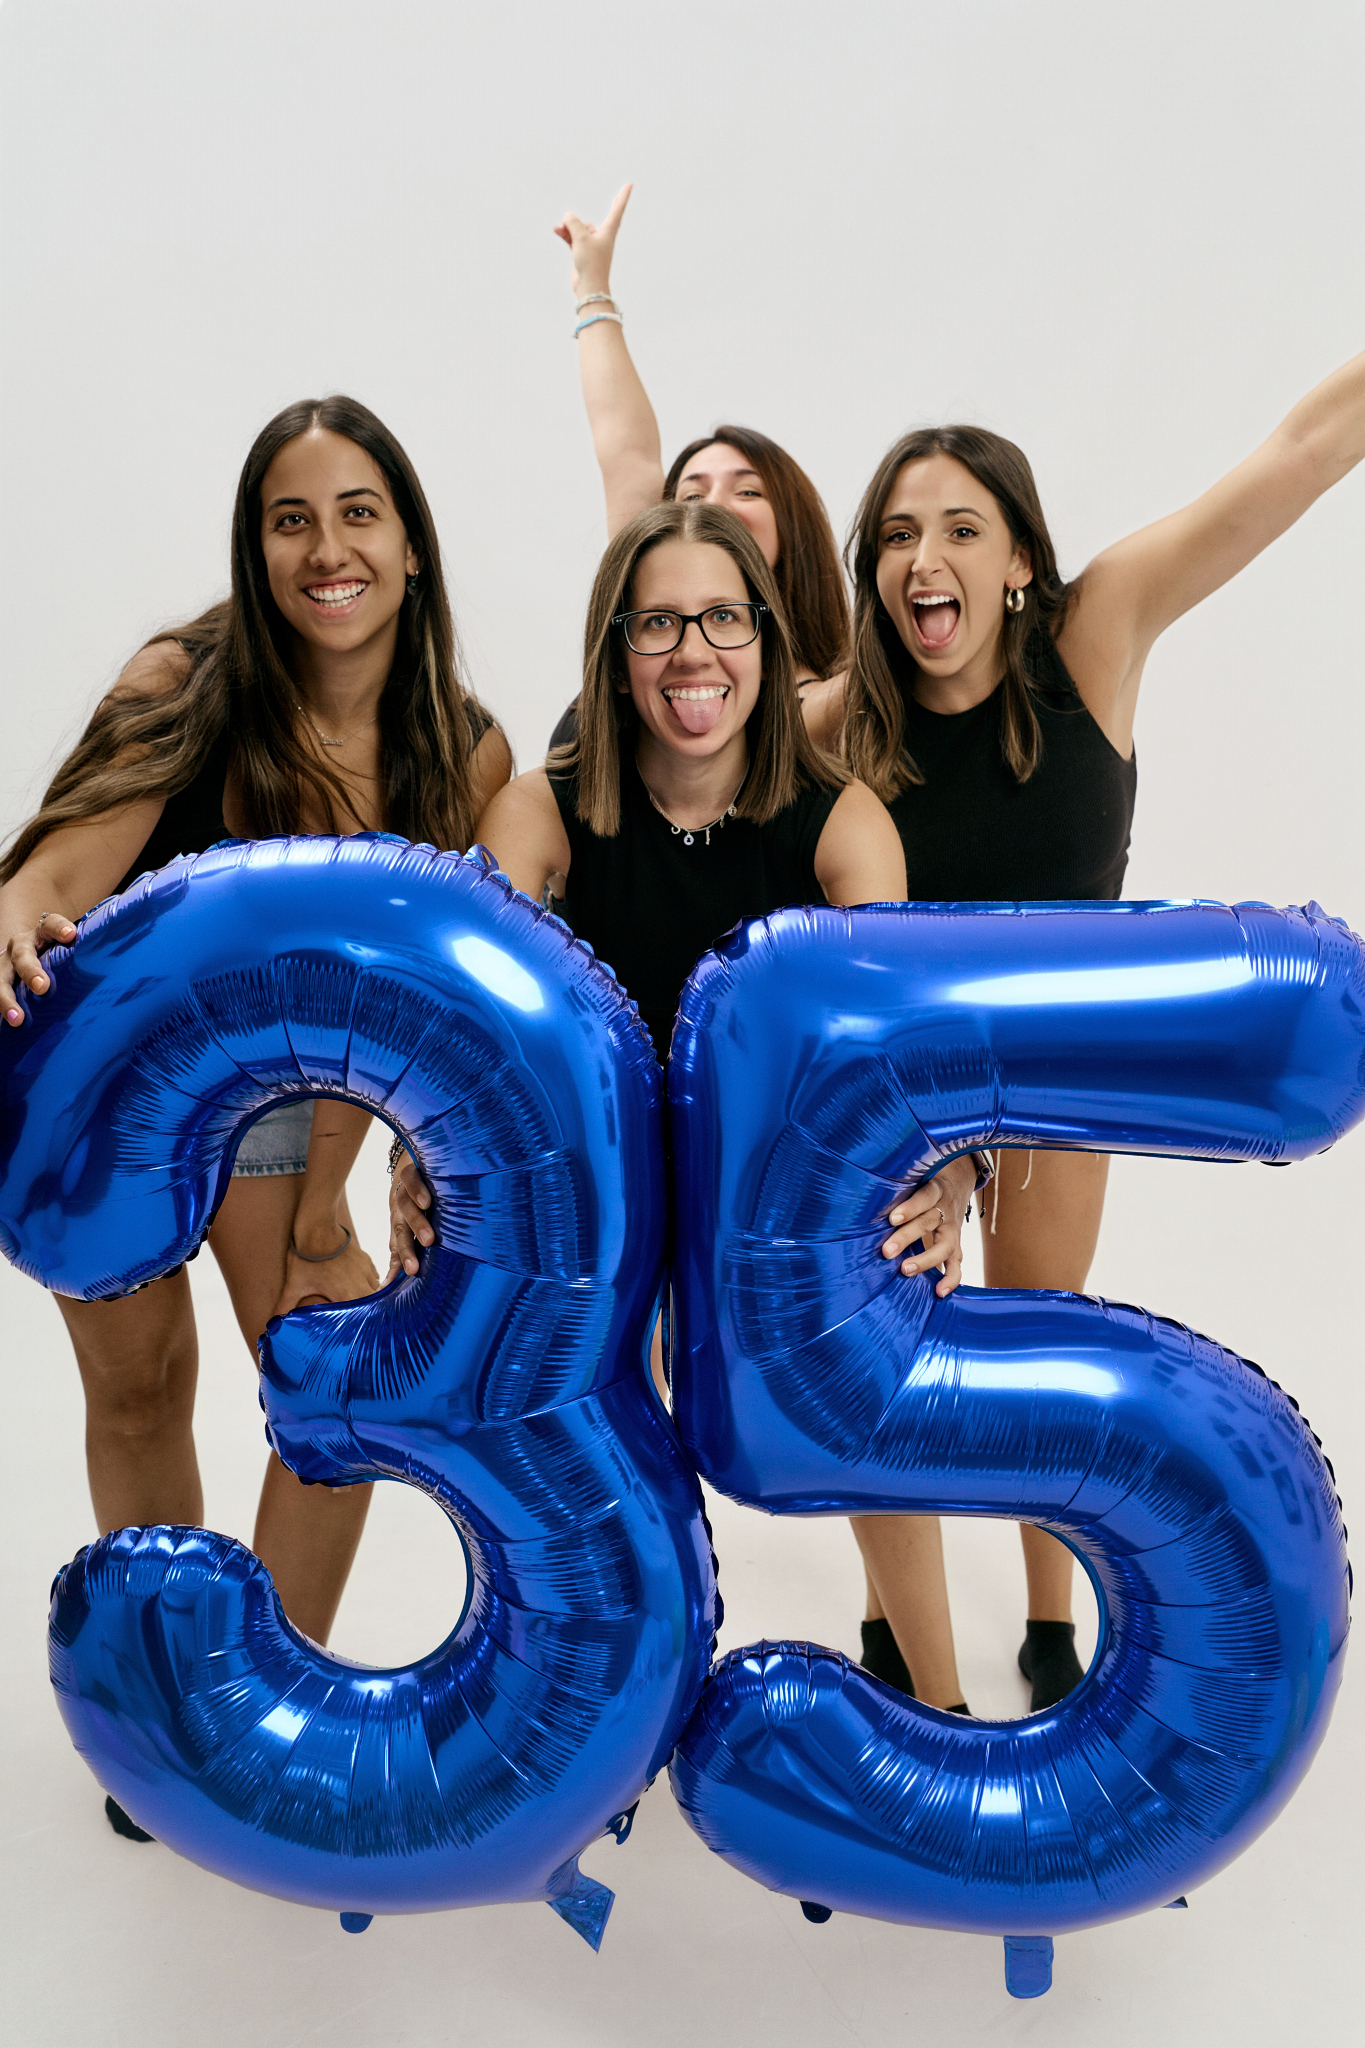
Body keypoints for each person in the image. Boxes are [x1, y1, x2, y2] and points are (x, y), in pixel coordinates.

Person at [824, 345, 1365, 1710]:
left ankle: (1051, 1619)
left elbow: (1291, 457)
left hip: (1064, 1077)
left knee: (1040, 1347)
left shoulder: (1096, 630)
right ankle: (916, 1657)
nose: (921, 558)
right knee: (886, 1378)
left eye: (957, 527)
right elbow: (670, 740)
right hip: (908, 1094)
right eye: (894, 534)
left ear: (1019, 559)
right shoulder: (841, 718)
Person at [0, 397, 512, 1839]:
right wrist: (15, 918)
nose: (326, 548)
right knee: (143, 1388)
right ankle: (166, 1705)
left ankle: (253, 1703)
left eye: (358, 513)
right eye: (292, 519)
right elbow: (59, 869)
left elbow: (402, 1013)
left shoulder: (460, 757)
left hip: (283, 1109)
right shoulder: (192, 679)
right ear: (256, 547)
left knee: (337, 1387)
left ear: (409, 545)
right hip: (103, 1083)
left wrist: (325, 1194)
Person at [390, 496, 989, 1711]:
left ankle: (947, 1709)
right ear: (614, 654)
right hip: (603, 1195)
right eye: (657, 623)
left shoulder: (841, 820)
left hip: (775, 1195)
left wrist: (958, 1173)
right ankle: (589, 1717)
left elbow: (908, 1049)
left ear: (767, 643)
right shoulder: (543, 807)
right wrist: (416, 1151)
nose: (692, 651)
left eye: (722, 616)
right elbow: (467, 1023)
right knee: (582, 1418)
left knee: (869, 1385)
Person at [547, 183, 848, 759]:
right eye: (692, 493)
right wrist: (593, 287)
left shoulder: (818, 697)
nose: (713, 506)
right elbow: (627, 448)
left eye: (748, 489)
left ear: (794, 526)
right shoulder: (645, 596)